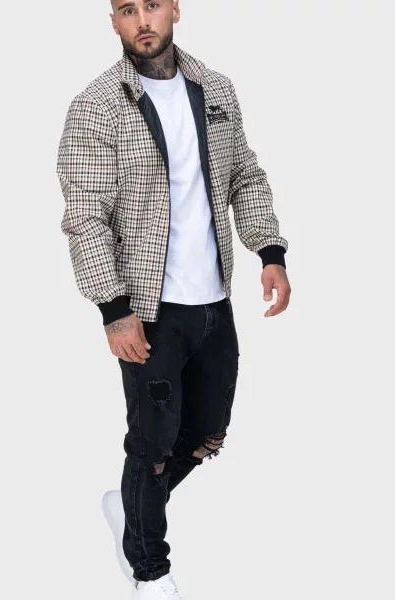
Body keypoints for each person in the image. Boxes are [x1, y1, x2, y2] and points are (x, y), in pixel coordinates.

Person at [56, 0, 291, 597]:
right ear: (113, 20)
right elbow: (86, 216)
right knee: (153, 445)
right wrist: (113, 309)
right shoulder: (96, 106)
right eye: (126, 9)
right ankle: (149, 569)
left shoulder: (215, 90)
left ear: (176, 10)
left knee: (208, 432)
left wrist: (269, 251)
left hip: (214, 302)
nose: (142, 20)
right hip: (147, 310)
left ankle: (130, 504)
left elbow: (245, 176)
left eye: (153, 5)